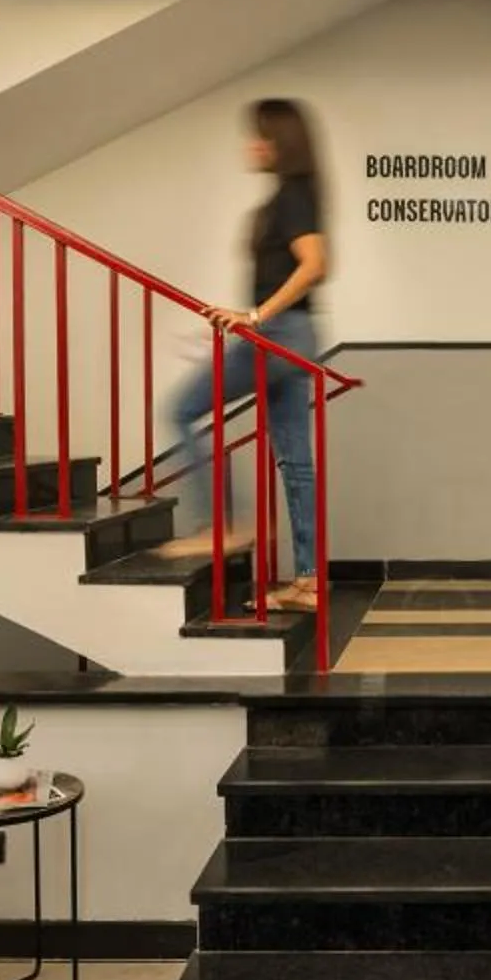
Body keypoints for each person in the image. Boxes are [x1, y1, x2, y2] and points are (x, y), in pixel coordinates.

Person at [160, 97, 328, 612]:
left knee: (181, 410)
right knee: (296, 462)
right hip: (295, 335)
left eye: (259, 136)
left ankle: (223, 525)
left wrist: (255, 318)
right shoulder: (293, 194)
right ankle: (309, 582)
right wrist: (251, 317)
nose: (251, 145)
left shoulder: (293, 195)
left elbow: (315, 264)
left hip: (279, 333)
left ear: (280, 141)